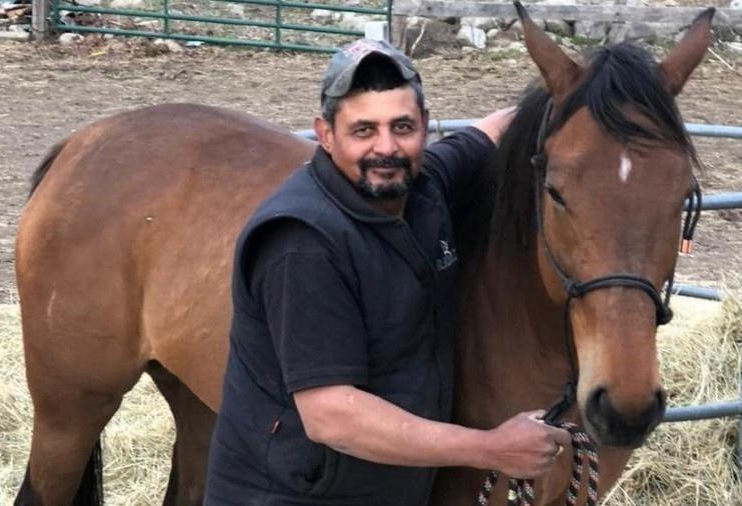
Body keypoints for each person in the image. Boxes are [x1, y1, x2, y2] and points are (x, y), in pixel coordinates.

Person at [205, 38, 569, 505]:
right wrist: (492, 448)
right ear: (325, 134)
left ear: (425, 127)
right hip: (298, 496)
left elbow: (489, 131)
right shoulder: (303, 243)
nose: (386, 148)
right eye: (363, 130)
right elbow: (331, 415)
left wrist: (581, 91)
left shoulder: (423, 187)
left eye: (402, 126)